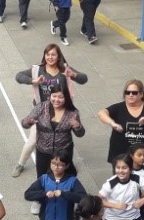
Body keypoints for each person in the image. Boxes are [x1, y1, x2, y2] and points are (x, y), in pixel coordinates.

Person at [12, 44, 88, 178]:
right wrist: (33, 80)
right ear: (44, 56)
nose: (50, 57)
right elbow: (18, 76)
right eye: (48, 54)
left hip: (62, 112)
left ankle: (65, 163)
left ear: (58, 56)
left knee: (63, 139)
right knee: (33, 141)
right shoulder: (38, 70)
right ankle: (21, 164)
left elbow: (84, 79)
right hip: (43, 113)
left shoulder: (64, 69)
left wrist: (73, 75)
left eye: (53, 54)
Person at [97, 79, 144, 164]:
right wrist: (111, 123)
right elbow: (101, 113)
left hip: (142, 156)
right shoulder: (119, 108)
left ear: (141, 94)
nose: (130, 95)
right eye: (127, 92)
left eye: (134, 93)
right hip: (121, 155)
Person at [21, 81, 85, 178]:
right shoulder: (41, 108)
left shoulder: (72, 112)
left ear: (66, 98)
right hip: (43, 150)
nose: (56, 100)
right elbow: (24, 124)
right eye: (54, 96)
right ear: (50, 96)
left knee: (65, 177)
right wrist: (28, 121)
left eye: (61, 97)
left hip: (63, 152)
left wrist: (77, 126)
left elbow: (80, 134)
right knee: (43, 177)